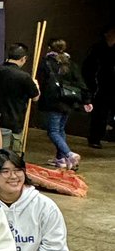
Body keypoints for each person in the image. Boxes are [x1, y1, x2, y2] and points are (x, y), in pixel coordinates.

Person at [36, 39, 92, 170]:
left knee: (53, 131)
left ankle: (69, 154)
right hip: (68, 102)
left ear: (49, 48)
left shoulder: (46, 63)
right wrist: (86, 101)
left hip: (53, 102)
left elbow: (41, 82)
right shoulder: (71, 64)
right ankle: (61, 159)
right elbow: (80, 83)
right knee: (60, 130)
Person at [0, 43, 40, 155]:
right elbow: (35, 97)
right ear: (24, 58)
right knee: (11, 156)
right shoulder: (24, 76)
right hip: (14, 122)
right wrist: (36, 86)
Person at [82, 25, 115, 150]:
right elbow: (88, 67)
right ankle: (95, 138)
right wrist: (92, 84)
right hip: (100, 86)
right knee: (100, 113)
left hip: (111, 85)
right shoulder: (97, 48)